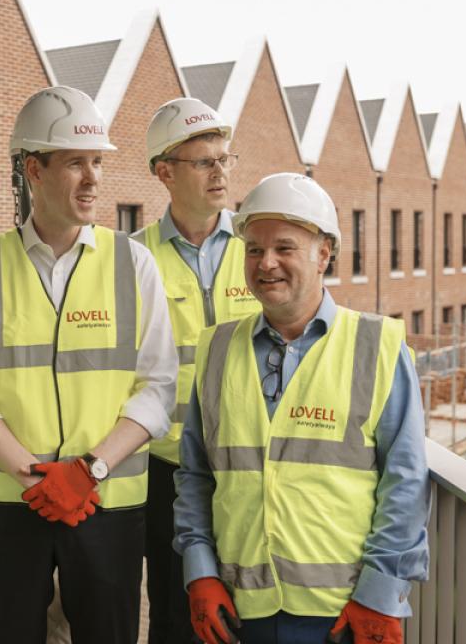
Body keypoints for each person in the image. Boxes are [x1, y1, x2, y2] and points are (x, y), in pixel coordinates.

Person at [0, 85, 177, 643]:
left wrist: (87, 470)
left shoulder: (132, 262)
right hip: (10, 500)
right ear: (34, 169)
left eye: (97, 162)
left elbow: (158, 386)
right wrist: (33, 475)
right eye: (76, 163)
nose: (94, 178)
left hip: (108, 500)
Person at [174, 172, 429, 644]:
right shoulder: (217, 350)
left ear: (324, 253)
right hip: (239, 609)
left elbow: (406, 480)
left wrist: (381, 592)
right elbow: (195, 474)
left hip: (341, 615)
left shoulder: (376, 346)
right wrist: (200, 572)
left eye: (284, 248)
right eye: (253, 249)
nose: (266, 263)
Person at [133, 97, 260, 643]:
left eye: (225, 160)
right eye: (205, 161)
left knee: (252, 607)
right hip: (164, 471)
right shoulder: (131, 259)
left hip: (249, 463)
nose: (221, 173)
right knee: (176, 615)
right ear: (165, 172)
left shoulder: (260, 250)